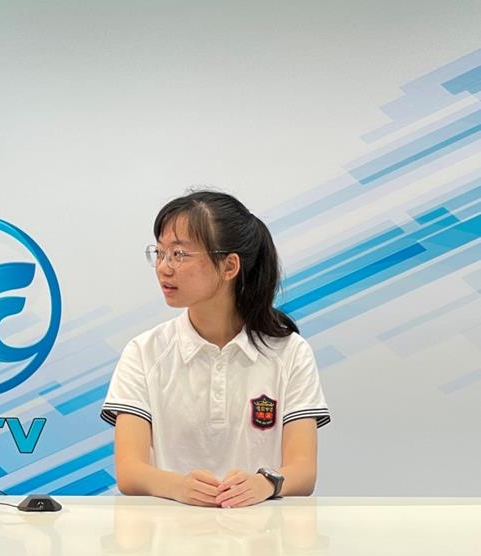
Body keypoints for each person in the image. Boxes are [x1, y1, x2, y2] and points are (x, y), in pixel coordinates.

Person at [101, 191, 329, 508]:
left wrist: (264, 483)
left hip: (262, 530)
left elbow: (303, 471)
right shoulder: (144, 351)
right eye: (160, 253)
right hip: (169, 530)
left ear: (229, 265)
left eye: (179, 254)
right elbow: (129, 471)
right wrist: (179, 486)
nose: (164, 268)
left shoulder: (290, 352)